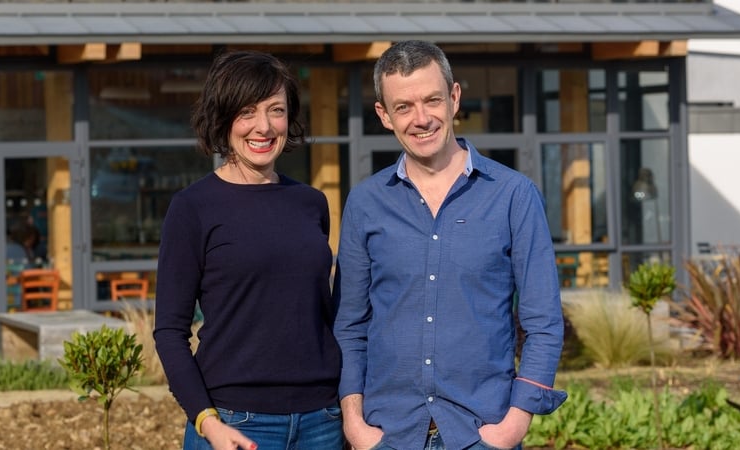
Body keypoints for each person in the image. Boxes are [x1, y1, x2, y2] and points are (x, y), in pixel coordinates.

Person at [332, 40, 567, 450]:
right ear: (384, 115)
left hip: (483, 432)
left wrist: (513, 425)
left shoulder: (514, 195)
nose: (421, 119)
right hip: (388, 435)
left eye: (432, 100)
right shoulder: (366, 202)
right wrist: (354, 422)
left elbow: (544, 322)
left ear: (454, 98)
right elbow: (349, 326)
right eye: (403, 107)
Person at [154, 50, 343, 450]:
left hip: (322, 421)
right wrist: (207, 421)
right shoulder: (193, 208)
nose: (264, 126)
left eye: (276, 110)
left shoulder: (311, 202)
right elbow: (170, 332)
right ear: (223, 121)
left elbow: (324, 317)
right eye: (247, 112)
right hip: (235, 422)